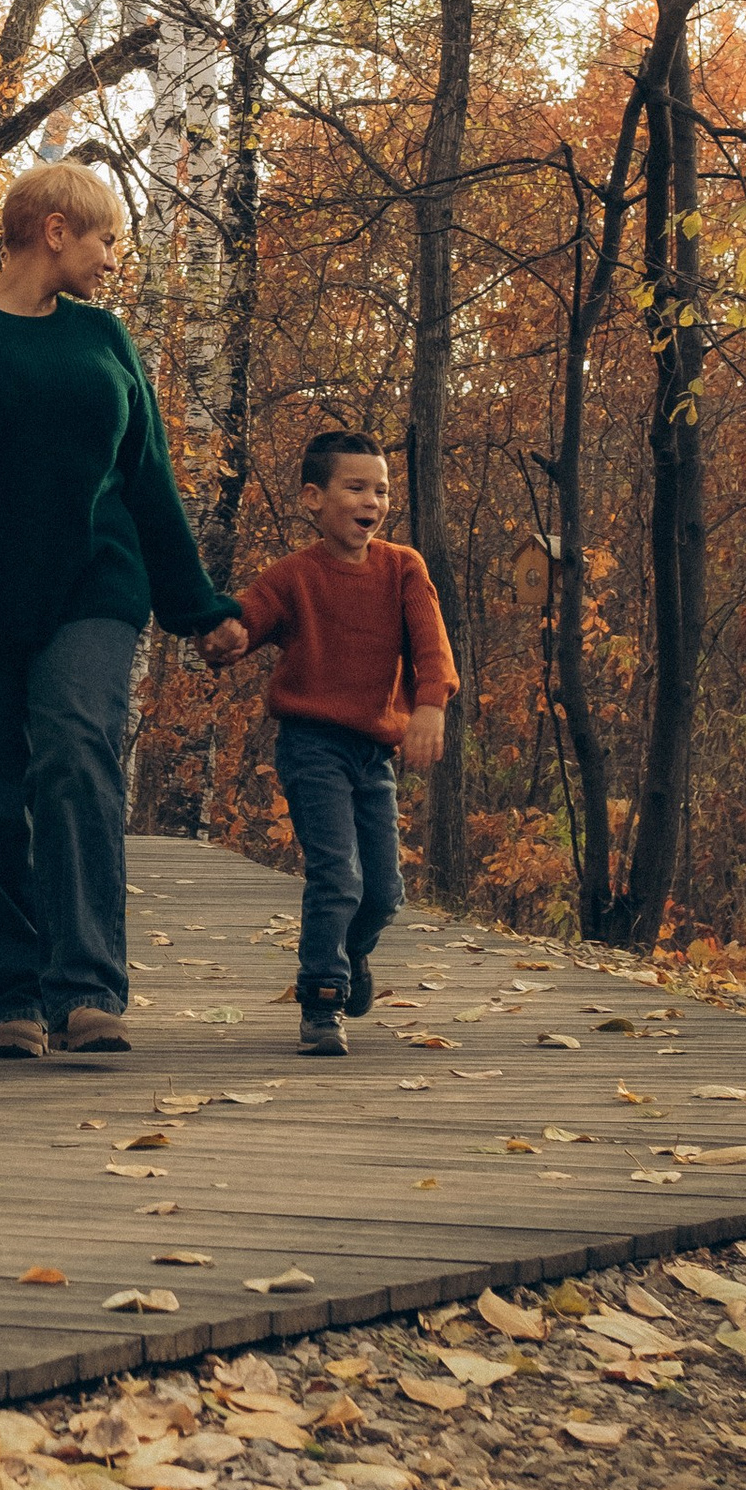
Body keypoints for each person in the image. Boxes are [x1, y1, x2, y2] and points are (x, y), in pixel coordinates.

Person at [0, 160, 243, 1057]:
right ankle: (12, 994)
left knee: (77, 753)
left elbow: (149, 480)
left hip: (92, 586)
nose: (113, 259)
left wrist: (197, 607)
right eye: (106, 239)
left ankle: (85, 988)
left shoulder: (104, 338)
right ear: (54, 230)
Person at [217, 430, 458, 1057]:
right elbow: (247, 619)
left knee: (383, 893)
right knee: (337, 875)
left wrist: (430, 704)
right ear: (313, 498)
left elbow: (430, 644)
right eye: (356, 488)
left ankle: (350, 954)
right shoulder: (293, 576)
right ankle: (322, 999)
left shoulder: (403, 568)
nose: (372, 501)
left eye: (381, 490)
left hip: (373, 752)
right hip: (311, 744)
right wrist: (224, 635)